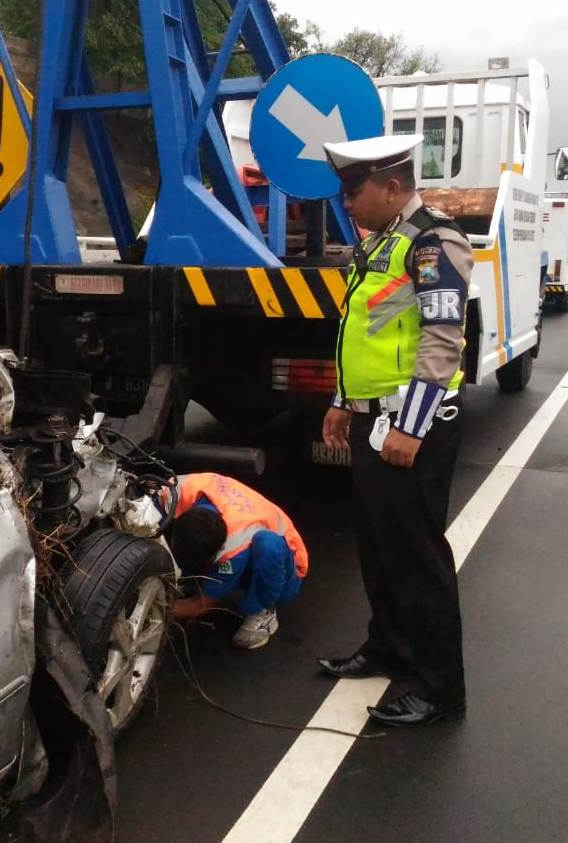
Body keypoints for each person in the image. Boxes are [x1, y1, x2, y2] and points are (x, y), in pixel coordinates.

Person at [317, 134, 470, 727]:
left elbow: (441, 339)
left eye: (355, 191)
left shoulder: (434, 242)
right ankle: (388, 648)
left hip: (413, 426)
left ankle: (440, 688)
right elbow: (364, 331)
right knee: (378, 547)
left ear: (394, 186)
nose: (347, 203)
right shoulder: (380, 244)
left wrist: (411, 426)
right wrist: (341, 401)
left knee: (418, 556)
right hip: (370, 416)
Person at [168, 473, 308, 650]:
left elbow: (200, 605)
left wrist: (160, 609)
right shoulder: (179, 490)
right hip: (235, 535)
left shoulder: (234, 547)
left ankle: (262, 611)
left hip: (288, 569)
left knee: (268, 546)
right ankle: (194, 577)